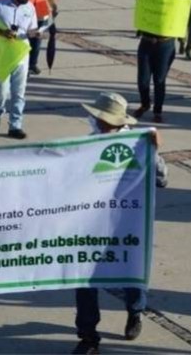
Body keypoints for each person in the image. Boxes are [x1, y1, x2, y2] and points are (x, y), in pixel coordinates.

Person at [73, 92, 167, 355]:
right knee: (84, 278)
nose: (96, 121)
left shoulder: (138, 144)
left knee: (132, 273)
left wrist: (155, 151)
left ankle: (135, 311)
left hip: (127, 224)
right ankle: (88, 335)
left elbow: (161, 179)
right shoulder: (89, 143)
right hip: (93, 223)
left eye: (100, 118)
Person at [0, 0, 39, 139]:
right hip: (2, 54)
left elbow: (32, 29)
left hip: (21, 54)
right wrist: (2, 32)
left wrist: (36, 34)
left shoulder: (29, 8)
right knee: (1, 91)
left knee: (19, 92)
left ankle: (15, 126)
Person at [134, 0, 176, 123]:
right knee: (143, 80)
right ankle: (145, 103)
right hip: (146, 43)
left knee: (159, 79)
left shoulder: (171, 2)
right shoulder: (147, 0)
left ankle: (158, 111)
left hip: (164, 45)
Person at [24, 0, 58, 75]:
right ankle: (25, 65)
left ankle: (33, 64)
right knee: (26, 42)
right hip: (26, 18)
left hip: (42, 17)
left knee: (37, 42)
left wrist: (54, 7)